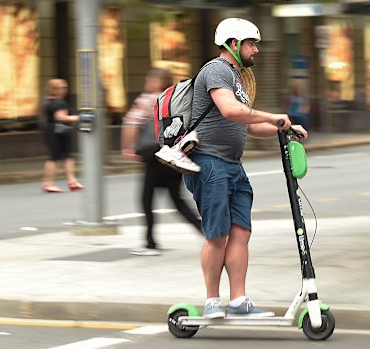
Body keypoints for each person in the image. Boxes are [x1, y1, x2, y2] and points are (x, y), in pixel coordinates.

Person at [181, 18, 308, 318]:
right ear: (233, 44)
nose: (257, 49)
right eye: (252, 43)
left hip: (233, 165)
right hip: (209, 162)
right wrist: (275, 115)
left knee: (241, 233)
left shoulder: (237, 78)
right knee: (217, 235)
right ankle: (212, 300)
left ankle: (238, 300)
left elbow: (247, 127)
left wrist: (282, 129)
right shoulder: (215, 70)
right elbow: (231, 110)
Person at [122, 69, 203, 256]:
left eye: (149, 79)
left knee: (146, 199)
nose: (147, 82)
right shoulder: (174, 99)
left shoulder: (148, 99)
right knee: (177, 201)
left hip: (154, 156)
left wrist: (127, 147)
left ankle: (150, 243)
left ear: (158, 81)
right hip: (173, 155)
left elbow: (131, 123)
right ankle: (206, 232)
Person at [41, 79, 83, 193]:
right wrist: (79, 117)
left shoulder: (47, 101)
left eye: (65, 87)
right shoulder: (60, 102)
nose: (65, 90)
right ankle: (48, 183)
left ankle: (72, 181)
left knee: (67, 156)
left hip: (52, 130)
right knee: (55, 157)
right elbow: (61, 117)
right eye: (62, 88)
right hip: (59, 131)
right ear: (55, 89)